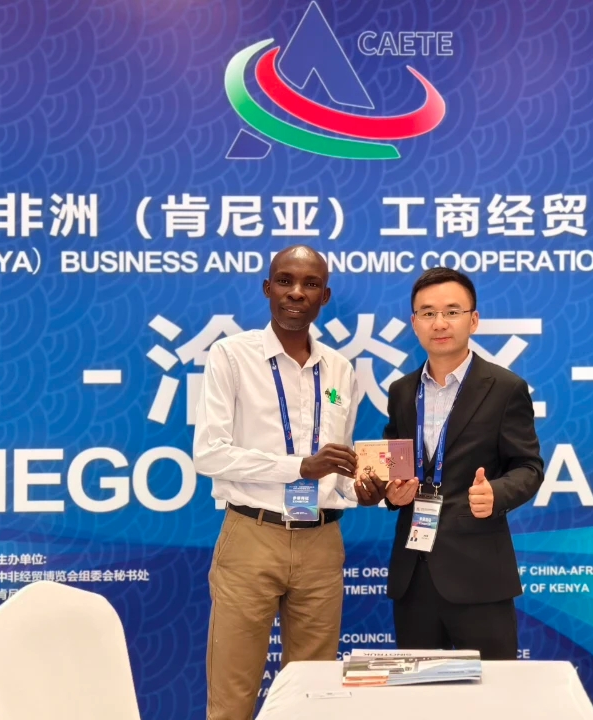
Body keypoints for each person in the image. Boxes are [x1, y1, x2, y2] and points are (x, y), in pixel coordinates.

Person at [194, 245, 384, 720]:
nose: (296, 292)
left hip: (322, 543)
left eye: (310, 284)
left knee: (312, 699)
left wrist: (360, 492)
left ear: (325, 296)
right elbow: (209, 454)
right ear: (267, 288)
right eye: (285, 281)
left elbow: (338, 469)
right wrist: (299, 467)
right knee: (232, 699)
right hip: (251, 537)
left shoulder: (340, 369)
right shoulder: (231, 356)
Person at [381, 267, 544, 659]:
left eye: (452, 312)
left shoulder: (505, 388)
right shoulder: (402, 392)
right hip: (413, 574)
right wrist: (392, 491)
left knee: (493, 689)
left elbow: (529, 467)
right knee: (419, 689)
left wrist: (497, 493)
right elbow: (394, 464)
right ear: (414, 323)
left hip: (479, 574)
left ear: (473, 319)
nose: (440, 323)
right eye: (428, 313)